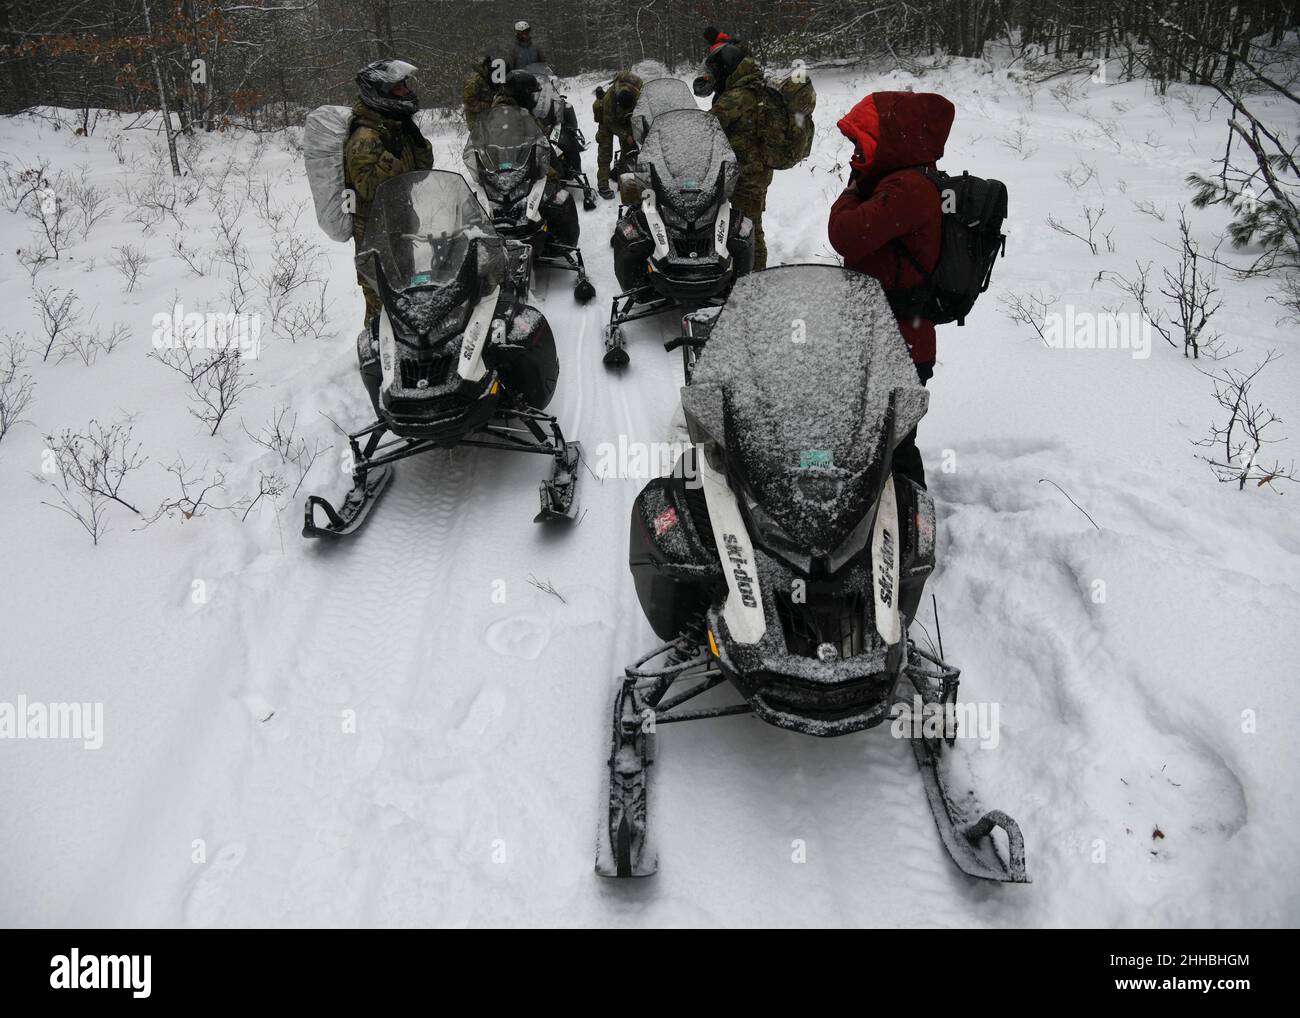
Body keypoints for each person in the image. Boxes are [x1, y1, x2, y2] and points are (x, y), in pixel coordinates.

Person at [826, 91, 956, 489]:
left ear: (892, 139)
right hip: (886, 338)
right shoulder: (900, 180)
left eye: (862, 143)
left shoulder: (908, 188)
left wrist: (853, 188)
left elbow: (844, 234)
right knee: (873, 439)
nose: (855, 154)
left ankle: (910, 523)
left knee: (894, 447)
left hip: (899, 343)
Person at [343, 59, 434, 328]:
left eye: (405, 85)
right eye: (398, 88)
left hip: (401, 220)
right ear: (380, 94)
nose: (406, 91)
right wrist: (390, 155)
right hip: (375, 231)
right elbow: (368, 186)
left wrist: (417, 143)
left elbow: (422, 171)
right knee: (381, 303)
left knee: (406, 292)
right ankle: (377, 360)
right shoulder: (365, 136)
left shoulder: (394, 125)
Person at [705, 43, 773, 269]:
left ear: (728, 67)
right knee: (748, 223)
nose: (716, 75)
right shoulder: (755, 87)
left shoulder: (738, 96)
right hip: (754, 169)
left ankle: (756, 279)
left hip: (745, 173)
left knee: (749, 228)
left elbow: (707, 125)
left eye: (717, 69)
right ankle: (747, 269)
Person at [592, 70, 643, 198]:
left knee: (629, 151)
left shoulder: (639, 91)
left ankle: (624, 181)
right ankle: (603, 184)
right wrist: (625, 135)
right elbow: (609, 123)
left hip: (626, 119)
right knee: (605, 152)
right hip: (608, 121)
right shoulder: (609, 98)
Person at [462, 54, 501, 131]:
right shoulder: (472, 80)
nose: (490, 68)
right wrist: (490, 106)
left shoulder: (486, 78)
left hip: (489, 119)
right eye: (488, 66)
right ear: (482, 66)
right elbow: (470, 103)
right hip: (476, 121)